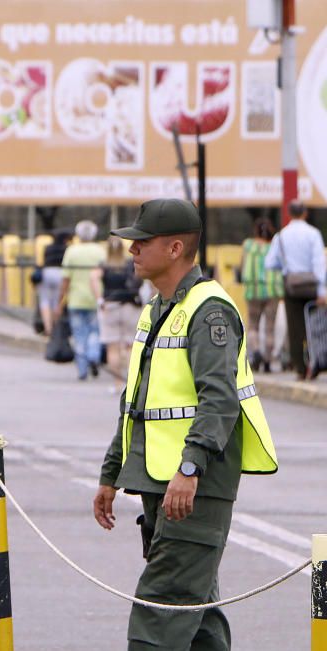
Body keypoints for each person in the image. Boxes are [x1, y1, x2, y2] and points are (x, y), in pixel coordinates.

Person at [94, 198, 278, 650]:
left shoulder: (209, 310)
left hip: (193, 484)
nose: (132, 250)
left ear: (175, 248)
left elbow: (219, 400)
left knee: (162, 608)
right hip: (163, 481)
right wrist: (110, 473)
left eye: (143, 241)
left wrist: (190, 468)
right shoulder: (158, 308)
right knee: (195, 613)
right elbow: (136, 401)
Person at [263, 200, 327, 380]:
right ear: (305, 213)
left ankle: (300, 367)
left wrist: (286, 265)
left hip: (291, 286)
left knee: (295, 328)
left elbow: (269, 263)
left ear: (289, 214)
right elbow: (319, 263)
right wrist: (322, 290)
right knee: (315, 325)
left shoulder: (281, 236)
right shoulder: (313, 234)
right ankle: (316, 361)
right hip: (311, 286)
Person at [56, 220, 106, 380]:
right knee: (95, 332)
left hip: (76, 299)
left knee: (79, 335)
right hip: (96, 298)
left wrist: (60, 300)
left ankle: (82, 369)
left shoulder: (72, 251)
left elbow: (65, 279)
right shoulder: (100, 251)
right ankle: (94, 356)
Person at [99, 236, 142, 392]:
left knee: (113, 348)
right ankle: (131, 383)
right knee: (131, 346)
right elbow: (139, 279)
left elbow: (94, 279)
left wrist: (100, 299)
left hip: (110, 305)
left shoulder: (104, 265)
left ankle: (117, 383)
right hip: (130, 305)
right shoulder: (129, 264)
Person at [241, 217, 283, 372]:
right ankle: (267, 360)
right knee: (270, 328)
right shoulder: (274, 247)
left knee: (253, 325)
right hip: (273, 289)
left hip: (253, 289)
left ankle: (256, 351)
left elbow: (242, 264)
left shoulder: (248, 245)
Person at [36, 229, 70, 336]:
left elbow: (43, 261)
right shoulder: (67, 249)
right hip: (60, 273)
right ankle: (56, 327)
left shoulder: (47, 248)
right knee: (57, 301)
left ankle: (48, 327)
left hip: (47, 273)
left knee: (45, 301)